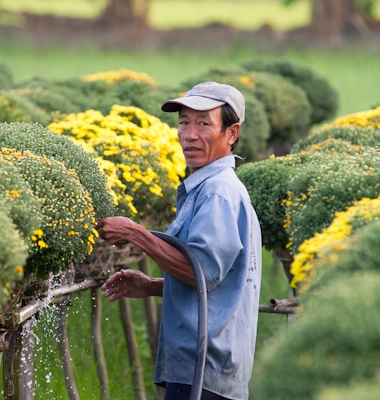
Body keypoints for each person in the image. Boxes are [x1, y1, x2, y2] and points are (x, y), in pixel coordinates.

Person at [96, 82, 262, 400]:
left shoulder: (217, 192)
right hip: (202, 371)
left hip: (205, 374)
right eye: (184, 122)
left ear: (231, 133)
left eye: (203, 123)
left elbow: (201, 270)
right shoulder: (206, 187)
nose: (189, 135)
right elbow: (222, 280)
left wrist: (135, 234)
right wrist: (154, 286)